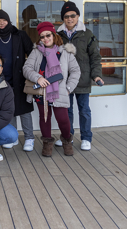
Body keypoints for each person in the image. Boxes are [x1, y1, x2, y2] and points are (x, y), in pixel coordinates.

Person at [23, 22, 81, 157]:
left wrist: (68, 88)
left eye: (48, 35)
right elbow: (26, 68)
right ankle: (47, 144)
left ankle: (67, 141)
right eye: (42, 37)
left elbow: (76, 71)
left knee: (63, 119)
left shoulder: (65, 52)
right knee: (44, 118)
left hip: (59, 91)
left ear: (54, 35)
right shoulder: (36, 52)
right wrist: (38, 78)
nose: (45, 39)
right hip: (41, 92)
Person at [56, 1, 104, 151]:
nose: (70, 19)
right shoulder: (58, 35)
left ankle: (86, 138)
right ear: (63, 18)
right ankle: (67, 136)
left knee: (84, 110)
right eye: (66, 16)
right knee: (66, 110)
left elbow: (95, 57)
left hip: (82, 79)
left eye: (72, 15)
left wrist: (96, 75)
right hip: (64, 81)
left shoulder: (87, 34)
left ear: (78, 16)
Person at [0, 9, 35, 151]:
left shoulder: (20, 35)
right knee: (8, 109)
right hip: (1, 80)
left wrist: (30, 70)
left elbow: (32, 54)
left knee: (24, 109)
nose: (1, 23)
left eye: (4, 20)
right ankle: (13, 137)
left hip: (20, 78)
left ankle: (29, 138)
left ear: (8, 21)